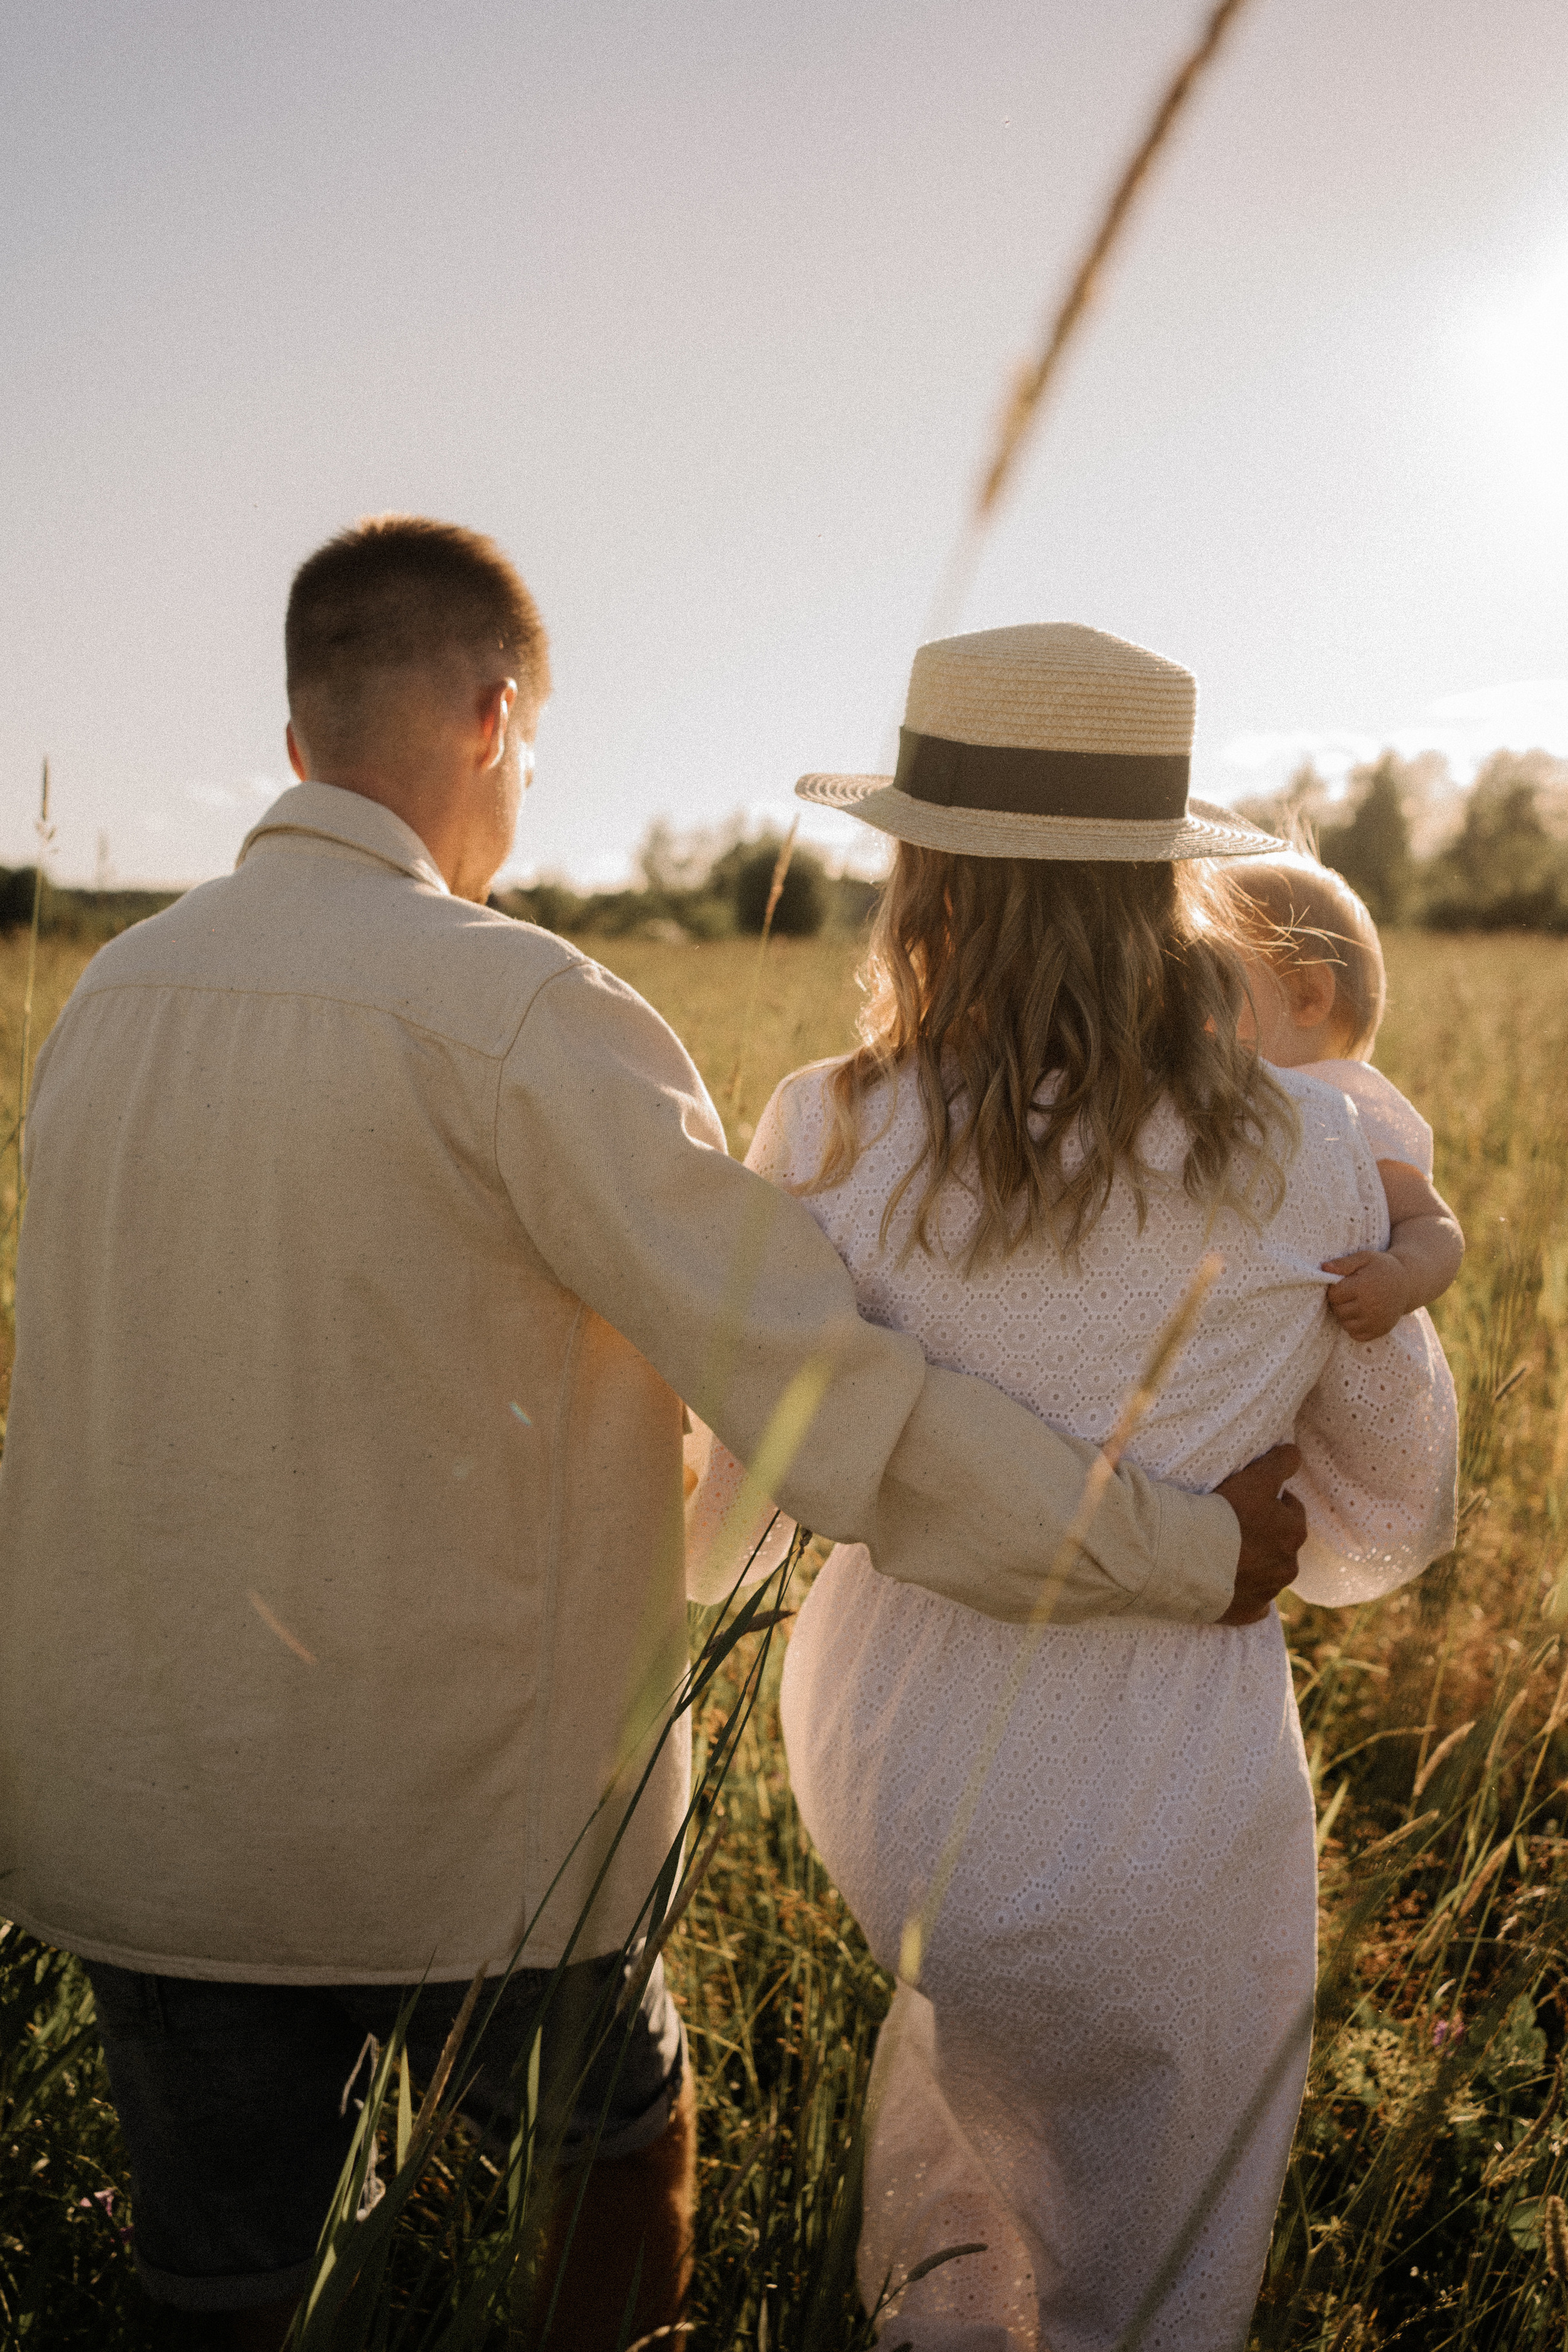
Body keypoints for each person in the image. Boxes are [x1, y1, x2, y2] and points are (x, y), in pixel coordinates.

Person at [0, 530, 1310, 2352]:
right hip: (481, 1826)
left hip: (143, 1814)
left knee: (216, 2296)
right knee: (614, 2191)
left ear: (295, 737)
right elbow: (821, 1402)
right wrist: (1171, 1546)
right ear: (495, 712)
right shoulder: (525, 1009)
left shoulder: (99, 1009)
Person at [690, 624, 1458, 2351]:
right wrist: (1238, 1506)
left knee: (953, 2078)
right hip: (1163, 1777)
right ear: (1162, 888)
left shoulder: (823, 1126)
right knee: (1169, 2196)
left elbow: (748, 1488)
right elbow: (1395, 1510)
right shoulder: (1311, 1144)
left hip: (896, 1753)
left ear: (921, 875)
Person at [1225, 852, 1464, 1341]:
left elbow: (1434, 1224)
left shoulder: (1348, 1104)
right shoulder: (1224, 1093)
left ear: (1309, 996)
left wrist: (1400, 1278)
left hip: (1349, 1344)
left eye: (1218, 985)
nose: (1190, 1010)